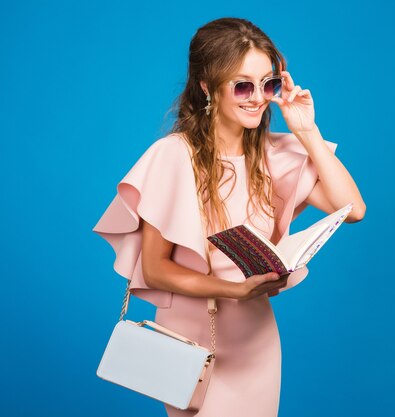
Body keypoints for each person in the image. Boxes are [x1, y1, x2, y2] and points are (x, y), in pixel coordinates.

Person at [93, 17, 366, 417]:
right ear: (207, 85)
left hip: (255, 345)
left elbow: (353, 209)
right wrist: (233, 291)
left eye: (268, 84)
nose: (257, 97)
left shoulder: (273, 155)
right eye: (242, 85)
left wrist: (306, 130)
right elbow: (154, 269)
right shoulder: (173, 156)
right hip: (187, 346)